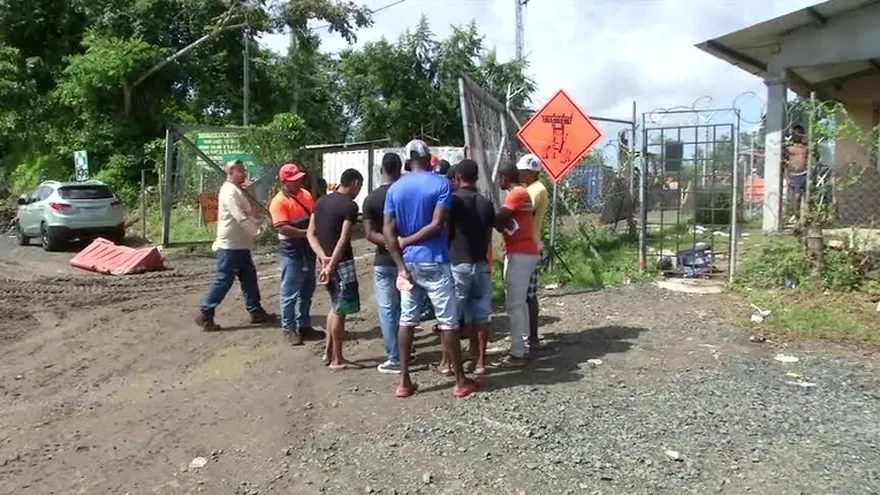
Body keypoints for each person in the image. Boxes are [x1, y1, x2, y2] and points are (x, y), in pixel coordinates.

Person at [383, 139, 479, 398]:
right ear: (428, 158)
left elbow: (388, 231)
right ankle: (460, 381)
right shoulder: (440, 184)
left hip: (408, 264)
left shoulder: (395, 189)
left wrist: (401, 263)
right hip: (435, 260)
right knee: (447, 321)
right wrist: (411, 240)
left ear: (407, 160)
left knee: (407, 319)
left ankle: (404, 381)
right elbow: (438, 225)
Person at [196, 160, 275, 331]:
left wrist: (251, 192)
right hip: (230, 246)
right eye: (241, 171)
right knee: (224, 279)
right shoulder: (228, 192)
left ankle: (255, 311)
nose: (244, 174)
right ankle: (205, 312)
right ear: (231, 171)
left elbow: (252, 212)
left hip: (241, 245)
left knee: (249, 278)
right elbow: (240, 217)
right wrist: (258, 233)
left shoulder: (239, 190)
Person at [307, 168, 363, 370]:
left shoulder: (320, 202)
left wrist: (323, 258)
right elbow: (343, 238)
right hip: (342, 264)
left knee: (333, 306)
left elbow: (310, 234)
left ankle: (327, 352)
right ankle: (337, 359)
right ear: (355, 183)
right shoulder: (350, 206)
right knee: (340, 310)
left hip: (321, 262)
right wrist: (332, 264)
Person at [446, 159, 495, 376]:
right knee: (481, 316)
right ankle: (481, 361)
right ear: (476, 178)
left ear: (457, 178)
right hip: (481, 263)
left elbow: (446, 233)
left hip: (458, 264)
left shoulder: (452, 202)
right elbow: (488, 236)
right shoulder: (486, 203)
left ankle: (447, 363)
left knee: (452, 318)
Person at [269, 162, 323, 345]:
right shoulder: (278, 202)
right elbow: (283, 228)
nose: (298, 181)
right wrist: (306, 234)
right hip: (291, 249)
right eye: (294, 180)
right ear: (284, 181)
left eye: (299, 178)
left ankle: (304, 326)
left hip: (308, 247)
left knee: (307, 289)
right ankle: (289, 328)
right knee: (290, 291)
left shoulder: (306, 195)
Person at [363, 152, 406, 374]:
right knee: (406, 308)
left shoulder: (371, 199)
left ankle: (395, 357)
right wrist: (399, 243)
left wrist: (389, 243)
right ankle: (406, 349)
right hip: (408, 259)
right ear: (400, 169)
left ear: (382, 170)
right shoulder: (406, 194)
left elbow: (369, 234)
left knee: (388, 310)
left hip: (383, 260)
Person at [495, 162, 540, 367]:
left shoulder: (516, 194)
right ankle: (523, 346)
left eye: (500, 177)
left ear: (505, 177)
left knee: (514, 305)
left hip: (520, 254)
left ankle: (518, 352)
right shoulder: (522, 193)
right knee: (519, 303)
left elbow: (499, 220)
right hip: (524, 251)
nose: (498, 181)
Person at [516, 154, 549, 352]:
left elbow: (522, 215)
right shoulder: (531, 189)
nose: (519, 173)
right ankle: (530, 335)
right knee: (526, 294)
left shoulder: (535, 191)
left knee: (528, 295)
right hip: (529, 245)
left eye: (522, 171)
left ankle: (533, 337)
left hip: (530, 246)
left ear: (530, 172)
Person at [784, 124, 808, 225]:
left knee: (806, 198)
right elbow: (784, 163)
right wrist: (787, 177)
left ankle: (805, 219)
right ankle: (797, 217)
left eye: (799, 133)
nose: (797, 136)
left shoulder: (806, 147)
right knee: (796, 197)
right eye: (795, 133)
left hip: (805, 174)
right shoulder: (788, 148)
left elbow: (815, 157)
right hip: (794, 175)